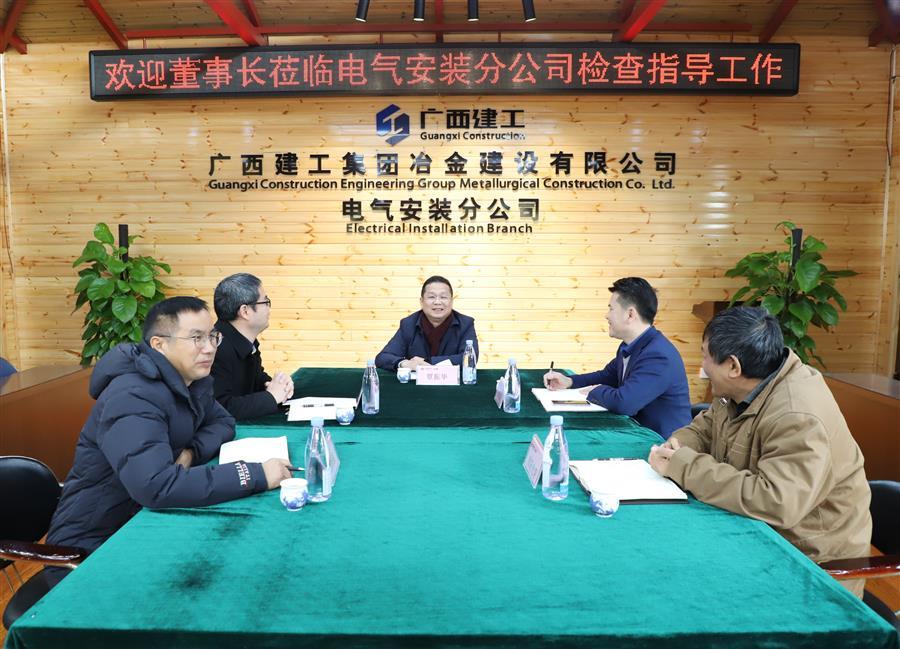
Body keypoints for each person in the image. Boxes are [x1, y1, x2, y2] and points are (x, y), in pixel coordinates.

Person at [648, 306, 871, 596]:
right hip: (755, 532)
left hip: (808, 565)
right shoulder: (743, 386)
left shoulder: (797, 415)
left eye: (705, 356)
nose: (702, 368)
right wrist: (676, 446)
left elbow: (776, 501)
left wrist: (685, 466)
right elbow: (704, 427)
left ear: (733, 366)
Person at [46, 296, 291, 559]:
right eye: (196, 338)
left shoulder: (192, 381)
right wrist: (254, 475)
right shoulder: (132, 395)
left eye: (212, 337)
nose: (209, 348)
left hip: (142, 520)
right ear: (159, 345)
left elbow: (224, 422)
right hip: (93, 545)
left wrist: (190, 453)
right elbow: (155, 486)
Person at [542, 277, 691, 439]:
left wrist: (595, 391)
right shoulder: (631, 345)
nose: (607, 316)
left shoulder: (658, 356)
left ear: (630, 314)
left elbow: (625, 402)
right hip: (639, 435)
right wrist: (570, 381)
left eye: (611, 309)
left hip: (664, 444)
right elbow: (607, 376)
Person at [211, 273, 294, 419]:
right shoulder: (215, 348)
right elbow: (221, 407)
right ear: (245, 311)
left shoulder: (244, 340)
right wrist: (271, 397)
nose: (269, 308)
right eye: (265, 301)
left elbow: (255, 380)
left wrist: (279, 386)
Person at [375, 275, 478, 371]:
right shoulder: (409, 324)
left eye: (443, 297)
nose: (437, 302)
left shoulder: (465, 324)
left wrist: (427, 362)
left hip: (453, 384)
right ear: (421, 301)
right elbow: (383, 357)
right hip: (417, 384)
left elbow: (470, 358)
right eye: (431, 297)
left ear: (451, 301)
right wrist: (405, 363)